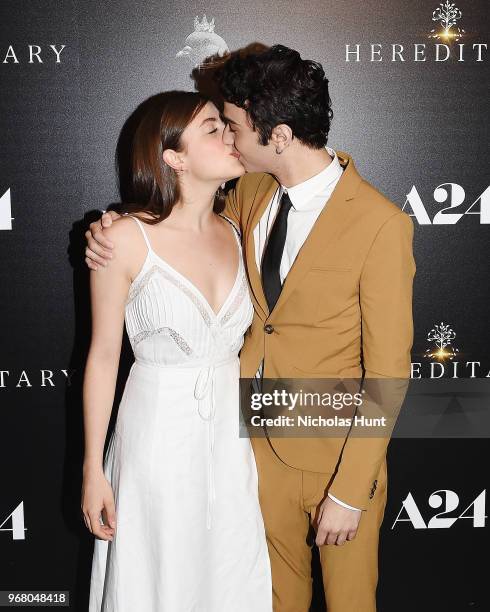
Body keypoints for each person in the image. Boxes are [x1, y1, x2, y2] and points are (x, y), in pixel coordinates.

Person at [85, 45, 416, 612]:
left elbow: (389, 371)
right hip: (248, 456)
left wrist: (349, 490)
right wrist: (113, 223)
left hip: (333, 457)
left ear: (279, 135)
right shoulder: (249, 197)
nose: (229, 138)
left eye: (232, 125)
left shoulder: (381, 224)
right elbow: (174, 225)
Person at [81, 90, 273, 611]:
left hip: (231, 449)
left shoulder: (240, 230)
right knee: (155, 576)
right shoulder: (123, 239)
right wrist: (93, 470)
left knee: (231, 576)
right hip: (155, 444)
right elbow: (103, 357)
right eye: (213, 128)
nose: (231, 136)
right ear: (173, 157)